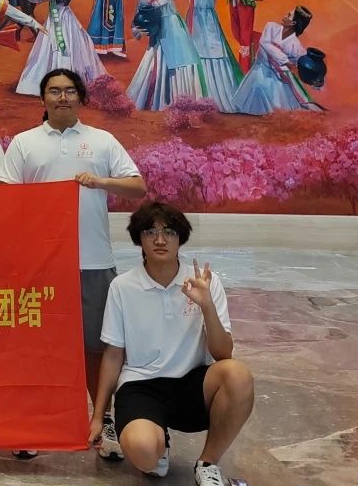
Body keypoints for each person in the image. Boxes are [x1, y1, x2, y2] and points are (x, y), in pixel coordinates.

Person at [0, 67, 146, 461]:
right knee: (35, 346)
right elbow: (4, 196)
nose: (62, 97)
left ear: (81, 98)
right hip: (39, 263)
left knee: (97, 346)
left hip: (92, 260)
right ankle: (34, 423)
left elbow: (137, 186)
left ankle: (102, 419)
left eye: (70, 91)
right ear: (42, 98)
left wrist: (101, 182)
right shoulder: (24, 143)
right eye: (54, 91)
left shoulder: (102, 141)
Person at [91, 202, 254, 486]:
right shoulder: (122, 287)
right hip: (141, 385)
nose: (160, 239)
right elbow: (113, 355)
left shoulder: (204, 283)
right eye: (150, 232)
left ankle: (207, 464)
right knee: (145, 454)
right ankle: (157, 442)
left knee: (238, 374)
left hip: (192, 383)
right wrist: (98, 417)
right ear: (139, 239)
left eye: (169, 232)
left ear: (180, 237)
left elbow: (223, 353)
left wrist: (206, 306)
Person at [127, 0, 207, 111]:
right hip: (161, 34)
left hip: (177, 27)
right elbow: (136, 22)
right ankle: (165, 99)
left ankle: (188, 99)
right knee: (163, 64)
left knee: (186, 59)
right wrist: (138, 31)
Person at [16, 0, 107, 94]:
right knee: (48, 46)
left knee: (62, 45)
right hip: (53, 16)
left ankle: (64, 81)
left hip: (62, 18)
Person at [183, 0, 241, 112]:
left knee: (215, 50)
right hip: (194, 19)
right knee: (195, 50)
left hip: (209, 21)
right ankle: (196, 95)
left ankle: (219, 94)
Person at [229, 6, 321, 115]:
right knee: (258, 88)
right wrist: (286, 61)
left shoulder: (295, 45)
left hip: (278, 78)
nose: (285, 16)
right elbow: (264, 43)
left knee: (276, 107)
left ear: (293, 23)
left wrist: (314, 78)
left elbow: (304, 64)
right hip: (259, 70)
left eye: (289, 15)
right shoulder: (271, 27)